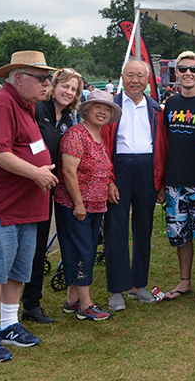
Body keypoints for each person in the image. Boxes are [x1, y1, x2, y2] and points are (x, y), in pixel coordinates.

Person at [0, 51, 59, 362]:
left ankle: (9, 324)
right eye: (41, 78)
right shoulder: (4, 103)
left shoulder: (25, 106)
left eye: (48, 78)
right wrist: (37, 172)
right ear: (18, 78)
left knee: (18, 269)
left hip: (23, 205)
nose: (47, 84)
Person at [101, 58, 164, 312]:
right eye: (130, 75)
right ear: (122, 77)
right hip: (120, 167)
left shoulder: (155, 108)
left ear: (147, 80)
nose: (135, 80)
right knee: (116, 228)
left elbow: (162, 146)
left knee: (143, 227)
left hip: (147, 168)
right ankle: (117, 288)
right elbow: (103, 145)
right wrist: (109, 179)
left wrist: (160, 181)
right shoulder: (111, 107)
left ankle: (139, 284)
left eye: (140, 75)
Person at [21, 68, 83, 325]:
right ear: (54, 85)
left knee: (38, 248)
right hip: (26, 188)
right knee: (22, 247)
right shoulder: (37, 110)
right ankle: (12, 302)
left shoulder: (71, 118)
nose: (68, 92)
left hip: (51, 191)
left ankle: (31, 304)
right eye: (65, 86)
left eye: (74, 89)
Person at [56, 90, 122, 321]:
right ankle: (86, 305)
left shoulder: (97, 135)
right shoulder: (76, 135)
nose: (103, 112)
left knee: (86, 250)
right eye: (98, 107)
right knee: (82, 252)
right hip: (76, 206)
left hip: (96, 205)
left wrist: (110, 183)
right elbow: (67, 171)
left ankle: (71, 300)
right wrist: (78, 204)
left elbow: (101, 168)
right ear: (86, 110)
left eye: (107, 109)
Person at [159, 51, 195, 305]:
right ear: (176, 73)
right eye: (183, 69)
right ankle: (185, 281)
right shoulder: (170, 104)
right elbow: (163, 143)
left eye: (193, 69)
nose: (188, 73)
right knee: (179, 235)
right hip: (174, 181)